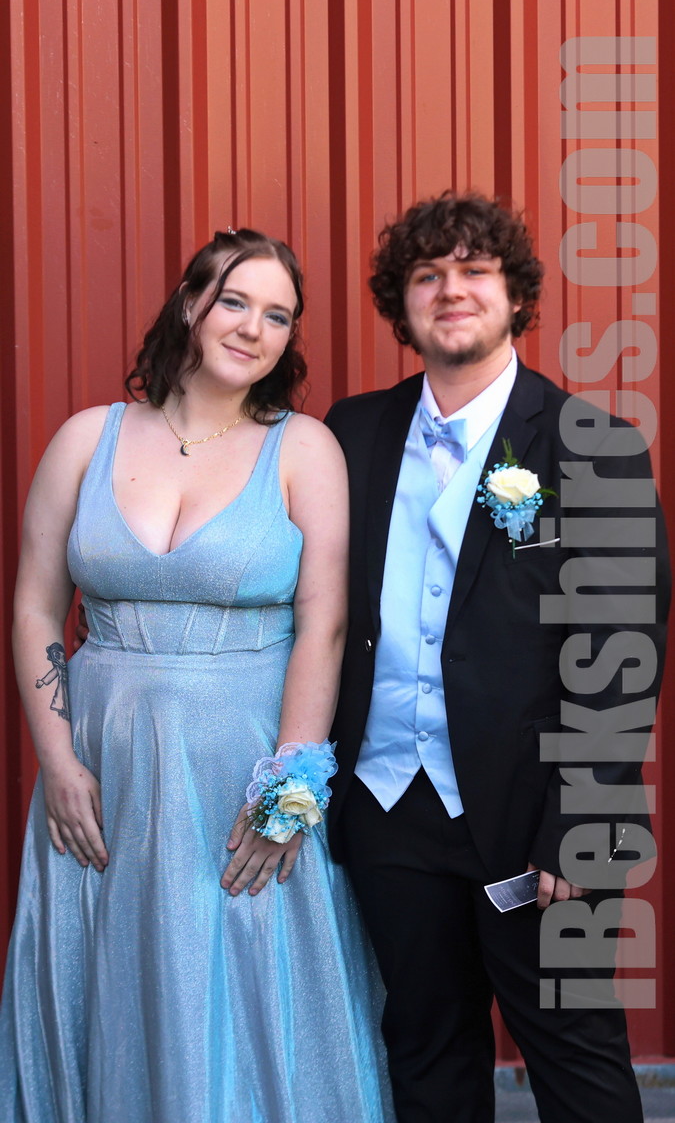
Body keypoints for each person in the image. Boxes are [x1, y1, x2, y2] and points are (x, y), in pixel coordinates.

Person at [0, 229, 393, 1122]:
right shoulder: (87, 439)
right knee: (113, 981)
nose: (253, 327)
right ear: (189, 304)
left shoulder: (303, 450)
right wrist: (58, 763)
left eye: (278, 315)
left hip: (242, 771)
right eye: (234, 301)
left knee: (246, 983)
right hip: (102, 770)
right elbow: (33, 608)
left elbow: (324, 625)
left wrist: (290, 792)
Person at [325, 191, 670, 1123]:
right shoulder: (350, 434)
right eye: (426, 275)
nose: (450, 290)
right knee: (425, 1052)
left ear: (515, 296)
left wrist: (578, 820)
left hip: (534, 819)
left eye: (474, 271)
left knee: (575, 1057)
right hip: (389, 807)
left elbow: (621, 651)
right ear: (399, 305)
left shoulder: (593, 444)